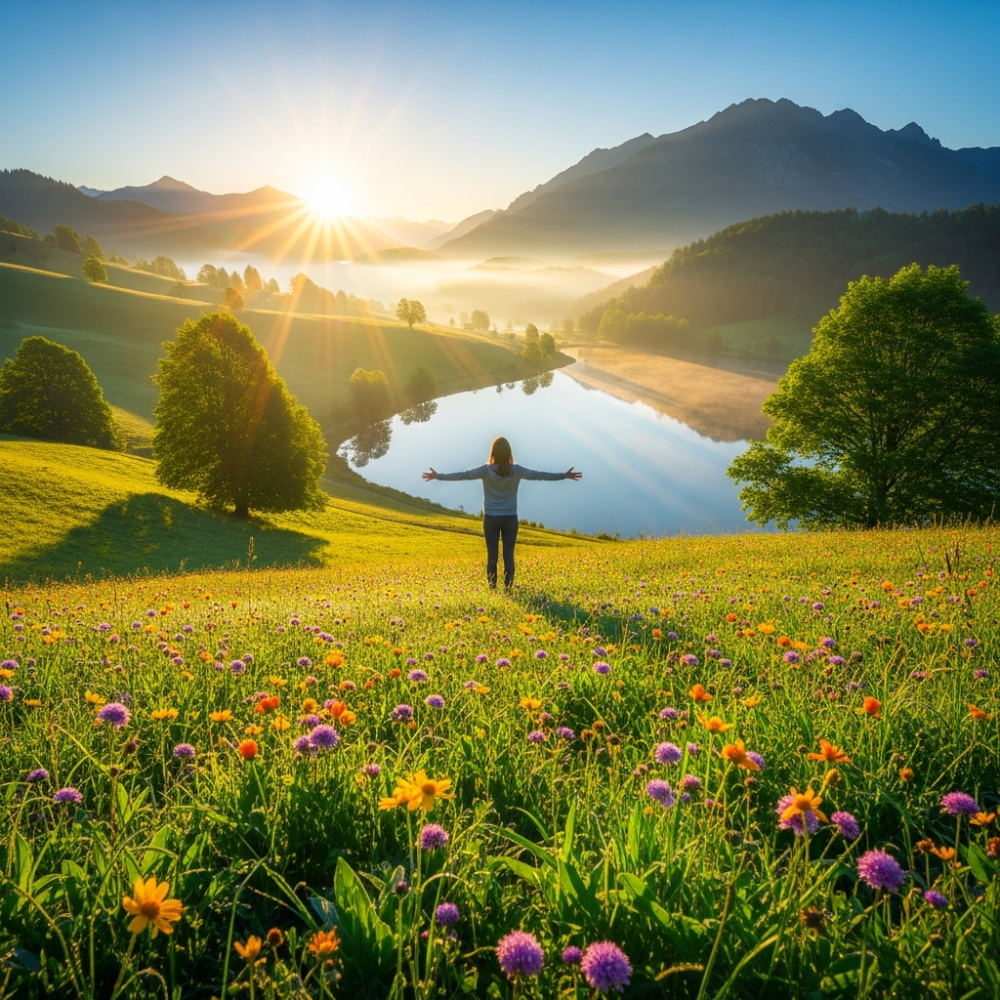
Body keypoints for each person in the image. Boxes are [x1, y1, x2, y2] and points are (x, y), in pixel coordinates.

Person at [422, 436, 582, 589]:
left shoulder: (485, 470)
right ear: (509, 452)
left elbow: (463, 475)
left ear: (493, 452)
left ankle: (492, 588)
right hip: (510, 518)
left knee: (492, 556)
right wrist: (564, 475)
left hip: (490, 519)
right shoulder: (517, 470)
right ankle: (508, 587)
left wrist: (438, 476)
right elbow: (539, 475)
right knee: (508, 555)